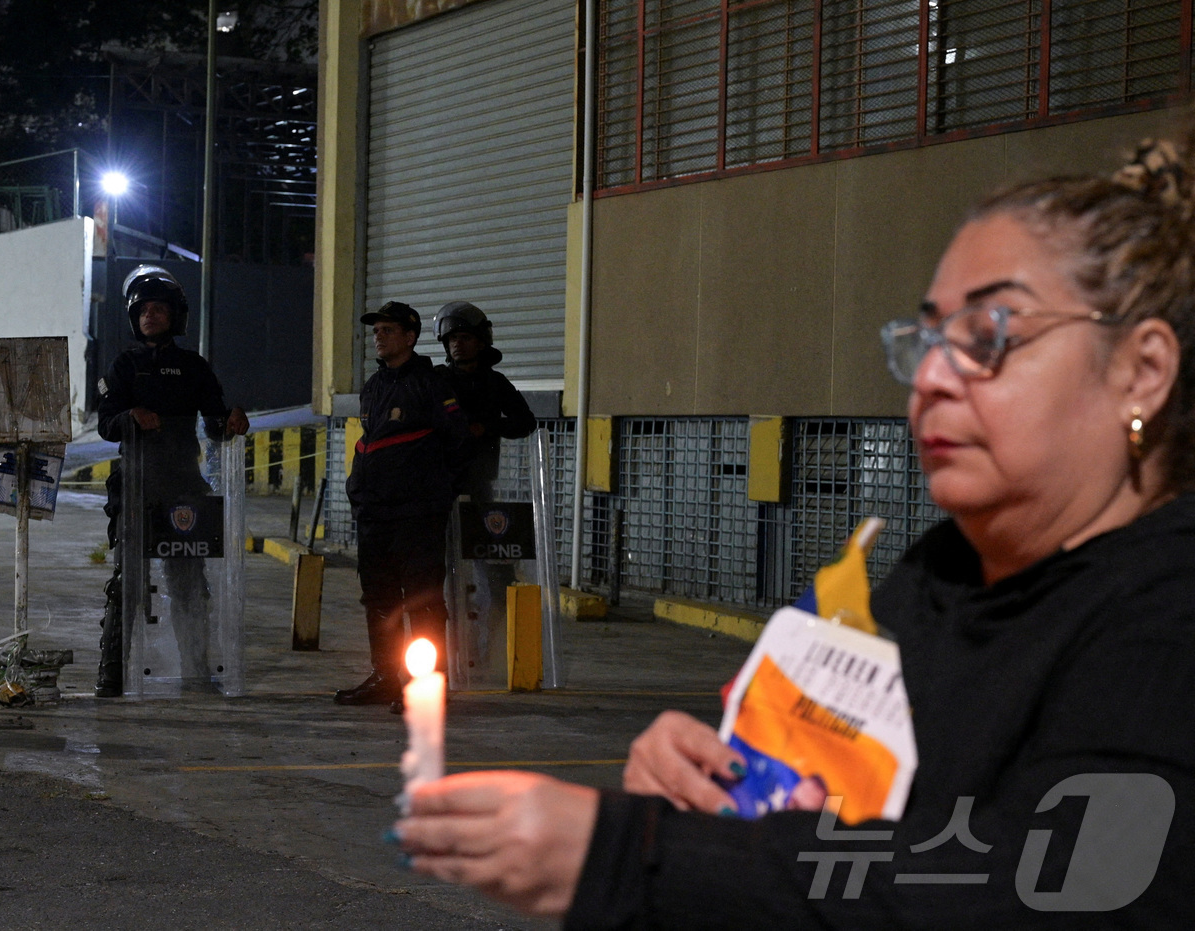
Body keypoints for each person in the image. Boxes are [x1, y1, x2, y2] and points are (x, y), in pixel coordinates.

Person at [391, 134, 1195, 925]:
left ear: (1142, 369)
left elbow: (1070, 890)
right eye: (925, 341)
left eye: (990, 336)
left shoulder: (1166, 619)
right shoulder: (936, 577)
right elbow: (855, 849)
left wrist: (638, 857)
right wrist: (721, 788)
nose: (935, 381)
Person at [94, 265, 249, 698]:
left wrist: (231, 421)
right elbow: (106, 424)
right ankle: (111, 673)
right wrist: (130, 417)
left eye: (159, 309)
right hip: (136, 485)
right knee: (128, 582)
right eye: (143, 309)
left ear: (174, 316)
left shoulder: (194, 367)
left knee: (188, 581)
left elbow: (216, 421)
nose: (150, 315)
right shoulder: (124, 366)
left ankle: (196, 671)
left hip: (184, 486)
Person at [336, 300, 466, 713]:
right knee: (380, 598)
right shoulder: (374, 387)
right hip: (376, 512)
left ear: (410, 337)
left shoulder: (431, 384)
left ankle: (429, 685)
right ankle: (385, 678)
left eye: (387, 330)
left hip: (417, 513)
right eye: (376, 331)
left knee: (423, 599)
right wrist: (359, 493)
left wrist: (433, 493)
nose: (378, 336)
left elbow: (457, 442)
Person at [432, 301, 536, 500]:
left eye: (465, 338)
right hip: (443, 482)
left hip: (479, 482)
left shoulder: (494, 382)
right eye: (452, 338)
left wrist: (486, 427)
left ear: (480, 343)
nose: (457, 344)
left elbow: (526, 422)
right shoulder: (438, 380)